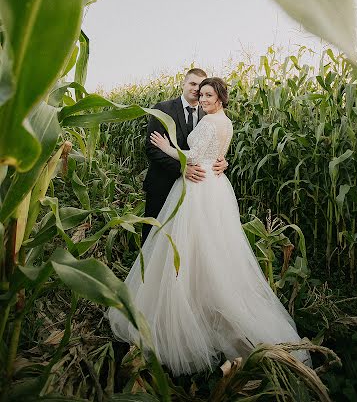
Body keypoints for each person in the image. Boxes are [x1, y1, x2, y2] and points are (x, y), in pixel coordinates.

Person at [109, 77, 310, 375]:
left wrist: (168, 147)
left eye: (207, 94)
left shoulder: (211, 121)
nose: (201, 98)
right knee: (207, 245)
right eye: (199, 92)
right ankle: (198, 298)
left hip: (199, 187)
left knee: (191, 244)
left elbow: (196, 155)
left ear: (219, 97)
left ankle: (190, 306)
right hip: (211, 185)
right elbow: (212, 151)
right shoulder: (210, 118)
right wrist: (216, 158)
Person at [141, 68, 227, 243]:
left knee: (187, 239)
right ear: (183, 83)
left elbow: (211, 146)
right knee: (154, 236)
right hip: (163, 183)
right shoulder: (163, 108)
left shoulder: (208, 112)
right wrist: (182, 169)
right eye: (192, 83)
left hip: (196, 189)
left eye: (200, 85)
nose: (197, 89)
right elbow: (152, 148)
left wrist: (222, 161)